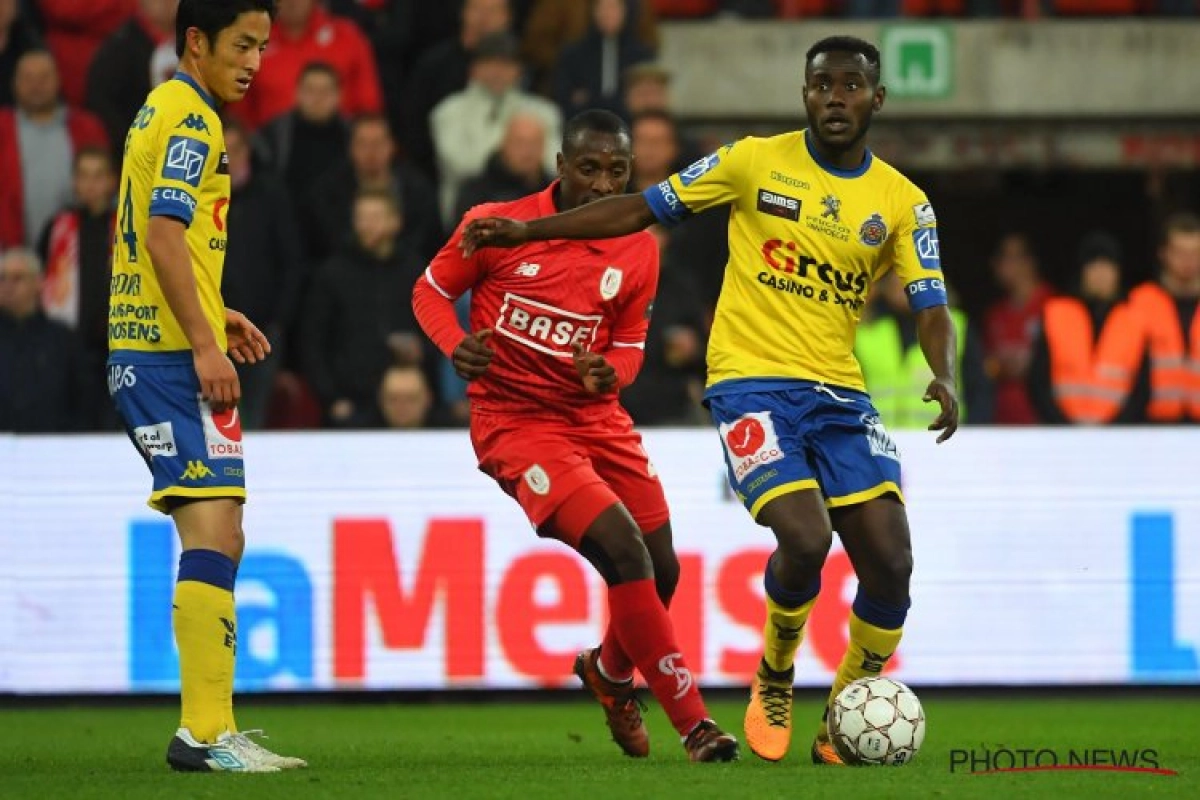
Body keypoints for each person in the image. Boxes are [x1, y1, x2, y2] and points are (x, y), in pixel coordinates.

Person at [461, 36, 960, 765]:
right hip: (750, 382)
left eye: (851, 86)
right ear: (804, 92)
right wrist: (531, 229)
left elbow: (931, 305)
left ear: (876, 99)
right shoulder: (751, 161)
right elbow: (637, 209)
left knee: (891, 563)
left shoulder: (903, 203)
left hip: (839, 394)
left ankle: (846, 709)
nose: (835, 98)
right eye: (822, 85)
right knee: (806, 538)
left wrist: (943, 373)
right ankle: (776, 673)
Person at [413, 109, 739, 763]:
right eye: (588, 168)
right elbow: (427, 291)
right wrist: (455, 344)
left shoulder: (637, 245)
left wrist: (605, 372)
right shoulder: (499, 222)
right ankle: (696, 724)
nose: (602, 183)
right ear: (560, 166)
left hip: (596, 421)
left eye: (617, 171)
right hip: (517, 422)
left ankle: (610, 674)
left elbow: (630, 349)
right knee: (624, 549)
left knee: (662, 566)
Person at [106, 0, 305, 772]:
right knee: (214, 530)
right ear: (197, 41)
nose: (255, 61)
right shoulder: (194, 121)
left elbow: (152, 237)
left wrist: (214, 313)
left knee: (225, 534)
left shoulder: (162, 107)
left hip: (164, 344)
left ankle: (214, 726)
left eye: (263, 45)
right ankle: (202, 736)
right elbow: (158, 234)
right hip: (164, 358)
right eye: (242, 44)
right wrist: (202, 344)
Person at [1028, 231, 1147, 425]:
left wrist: (1119, 428)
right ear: (1082, 271)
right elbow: (1038, 380)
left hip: (1120, 436)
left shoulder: (1135, 319)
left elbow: (1142, 388)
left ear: (1118, 272)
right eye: (1094, 266)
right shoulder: (1056, 313)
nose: (1100, 274)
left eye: (1107, 266)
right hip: (1062, 433)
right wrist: (1061, 426)